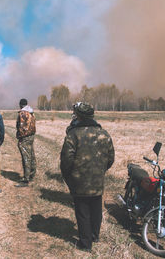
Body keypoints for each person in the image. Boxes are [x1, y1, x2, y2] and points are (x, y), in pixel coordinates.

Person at [60, 102, 115, 251]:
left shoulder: (73, 134)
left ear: (78, 115)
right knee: (96, 208)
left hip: (79, 180)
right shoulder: (104, 134)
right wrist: (100, 170)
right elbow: (111, 158)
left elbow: (66, 160)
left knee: (82, 212)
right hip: (97, 180)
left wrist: (68, 176)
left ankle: (85, 244)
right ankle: (94, 236)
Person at [15, 98, 37, 187]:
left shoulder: (23, 113)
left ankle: (26, 179)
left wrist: (20, 136)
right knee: (31, 155)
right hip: (31, 136)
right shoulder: (31, 112)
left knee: (26, 158)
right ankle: (32, 174)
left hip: (25, 138)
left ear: (20, 105)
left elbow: (22, 127)